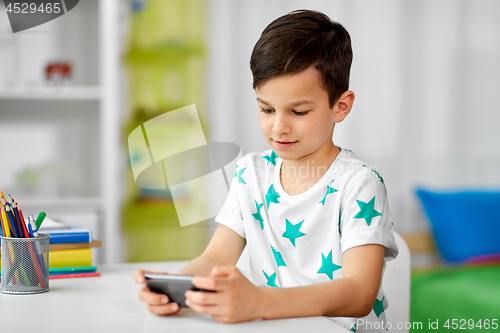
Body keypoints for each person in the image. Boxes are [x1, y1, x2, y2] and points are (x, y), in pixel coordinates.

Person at [135, 9, 398, 332]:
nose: (279, 127)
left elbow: (359, 293)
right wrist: (176, 288)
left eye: (298, 111)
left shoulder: (359, 184)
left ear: (340, 107)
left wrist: (259, 302)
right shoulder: (250, 174)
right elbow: (217, 258)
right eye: (266, 109)